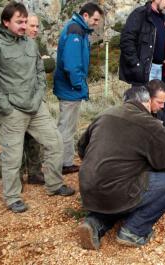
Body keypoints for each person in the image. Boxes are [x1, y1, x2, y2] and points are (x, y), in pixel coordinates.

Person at [0, 2, 75, 213]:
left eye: (25, 22)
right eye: (19, 22)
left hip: (36, 106)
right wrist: (5, 107)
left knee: (55, 141)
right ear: (6, 22)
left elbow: (40, 72)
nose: (24, 26)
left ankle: (54, 184)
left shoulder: (30, 43)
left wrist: (40, 95)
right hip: (12, 110)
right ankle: (12, 196)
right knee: (12, 156)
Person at [76, 86, 165, 250]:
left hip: (88, 191)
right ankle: (134, 230)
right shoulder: (150, 124)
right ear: (147, 102)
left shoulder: (104, 115)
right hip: (118, 191)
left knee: (119, 185)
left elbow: (82, 149)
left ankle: (94, 222)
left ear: (125, 101)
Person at [53, 3, 103, 175]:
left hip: (69, 88)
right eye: (95, 19)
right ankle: (61, 164)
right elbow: (72, 65)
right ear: (86, 16)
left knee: (68, 126)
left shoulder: (77, 29)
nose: (96, 23)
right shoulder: (76, 30)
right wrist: (79, 85)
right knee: (66, 128)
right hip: (69, 89)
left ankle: (65, 161)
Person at [119, 0, 165, 127]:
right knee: (144, 103)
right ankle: (143, 133)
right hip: (147, 68)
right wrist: (137, 66)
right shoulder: (139, 14)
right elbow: (126, 41)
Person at [20, 13, 45, 185]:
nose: (35, 30)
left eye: (37, 26)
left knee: (35, 139)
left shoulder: (37, 44)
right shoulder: (12, 45)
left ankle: (35, 173)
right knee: (16, 142)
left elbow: (49, 65)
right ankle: (17, 177)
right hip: (17, 102)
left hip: (36, 99)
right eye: (32, 26)